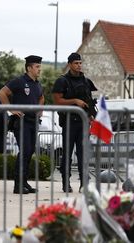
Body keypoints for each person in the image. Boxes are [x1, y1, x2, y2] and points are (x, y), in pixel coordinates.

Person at [0, 55, 45, 194]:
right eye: (37, 67)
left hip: (33, 122)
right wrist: (11, 109)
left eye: (40, 66)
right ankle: (18, 185)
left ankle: (24, 183)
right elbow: (2, 93)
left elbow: (42, 97)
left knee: (29, 152)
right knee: (24, 151)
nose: (39, 69)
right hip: (22, 121)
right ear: (29, 68)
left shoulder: (37, 83)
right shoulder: (19, 81)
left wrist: (40, 110)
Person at [52, 52, 97, 193]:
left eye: (80, 63)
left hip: (83, 123)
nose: (79, 65)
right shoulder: (62, 81)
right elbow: (58, 101)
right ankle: (66, 183)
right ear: (70, 64)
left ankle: (84, 183)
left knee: (83, 154)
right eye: (76, 63)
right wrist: (74, 101)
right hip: (69, 122)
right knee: (67, 154)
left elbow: (89, 101)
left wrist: (91, 116)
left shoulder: (85, 81)